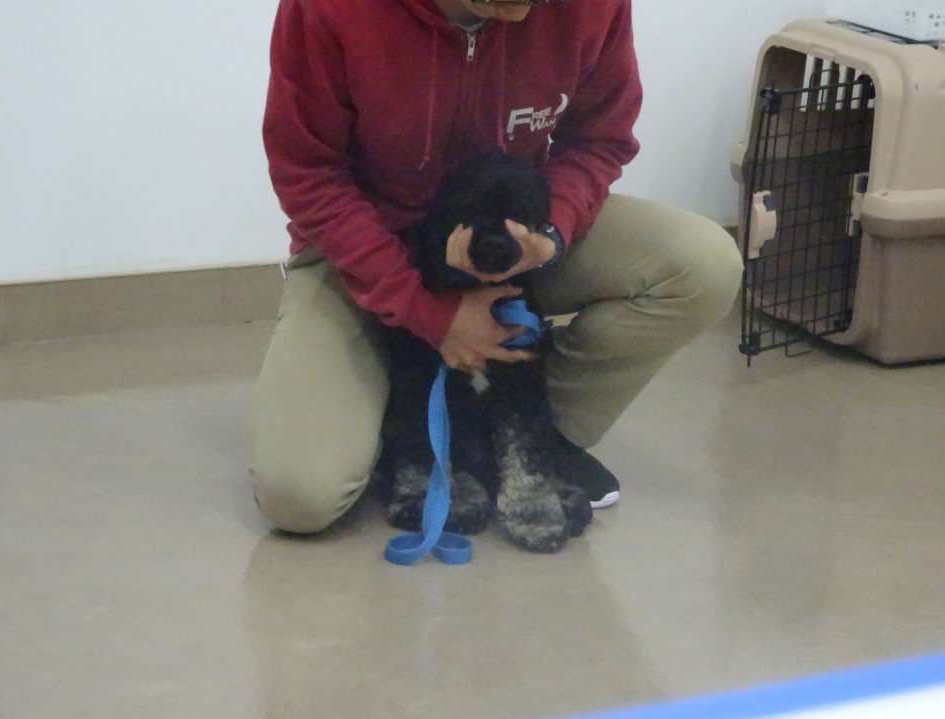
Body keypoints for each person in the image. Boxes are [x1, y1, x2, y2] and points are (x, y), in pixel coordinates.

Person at [251, 0, 744, 535]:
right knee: (299, 495)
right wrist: (428, 313)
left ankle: (535, 440)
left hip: (518, 238)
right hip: (367, 248)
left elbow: (599, 140)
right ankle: (405, 418)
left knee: (703, 265)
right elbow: (309, 173)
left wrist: (549, 234)